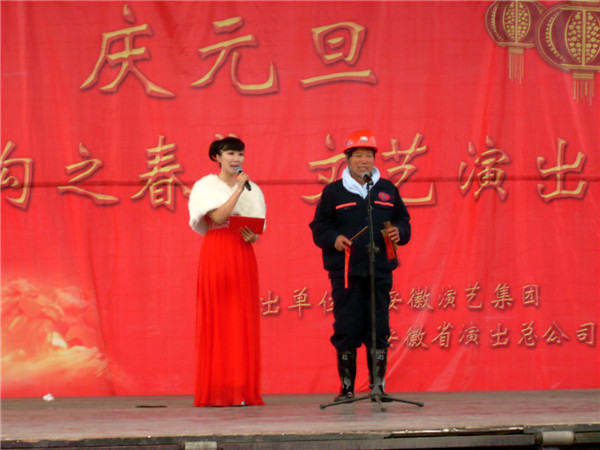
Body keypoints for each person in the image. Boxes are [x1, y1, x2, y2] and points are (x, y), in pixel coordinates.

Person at [309, 130, 411, 402]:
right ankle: (347, 389)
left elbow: (403, 221)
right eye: (358, 156)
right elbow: (319, 227)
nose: (364, 161)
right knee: (347, 326)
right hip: (347, 273)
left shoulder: (387, 189)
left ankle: (378, 387)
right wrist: (334, 239)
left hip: (380, 270)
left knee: (379, 327)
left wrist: (399, 232)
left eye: (368, 156)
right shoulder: (333, 191)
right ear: (348, 159)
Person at [188, 136, 266, 407]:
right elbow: (218, 218)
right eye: (230, 153)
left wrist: (252, 237)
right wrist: (238, 189)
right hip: (218, 250)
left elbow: (257, 228)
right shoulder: (205, 186)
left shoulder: (253, 189)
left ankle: (241, 388)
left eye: (240, 154)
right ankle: (218, 388)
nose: (236, 159)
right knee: (219, 318)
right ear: (217, 157)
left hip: (242, 251)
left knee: (241, 319)